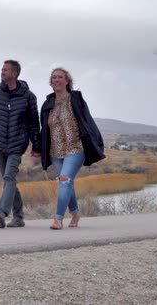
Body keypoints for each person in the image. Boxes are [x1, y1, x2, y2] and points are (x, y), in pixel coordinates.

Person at [39, 67, 105, 230]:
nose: (57, 80)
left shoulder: (76, 99)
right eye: (54, 77)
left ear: (67, 81)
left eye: (60, 77)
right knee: (66, 183)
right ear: (51, 82)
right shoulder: (48, 104)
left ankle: (58, 219)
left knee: (65, 180)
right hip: (56, 151)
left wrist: (96, 143)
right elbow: (44, 128)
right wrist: (38, 146)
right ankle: (75, 213)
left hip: (76, 148)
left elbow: (88, 122)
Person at [0, 59, 41, 228]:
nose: (2, 72)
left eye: (5, 70)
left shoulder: (28, 97)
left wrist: (36, 145)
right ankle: (18, 217)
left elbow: (34, 123)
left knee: (10, 177)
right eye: (2, 69)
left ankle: (2, 212)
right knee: (9, 181)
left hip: (17, 145)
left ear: (14, 74)